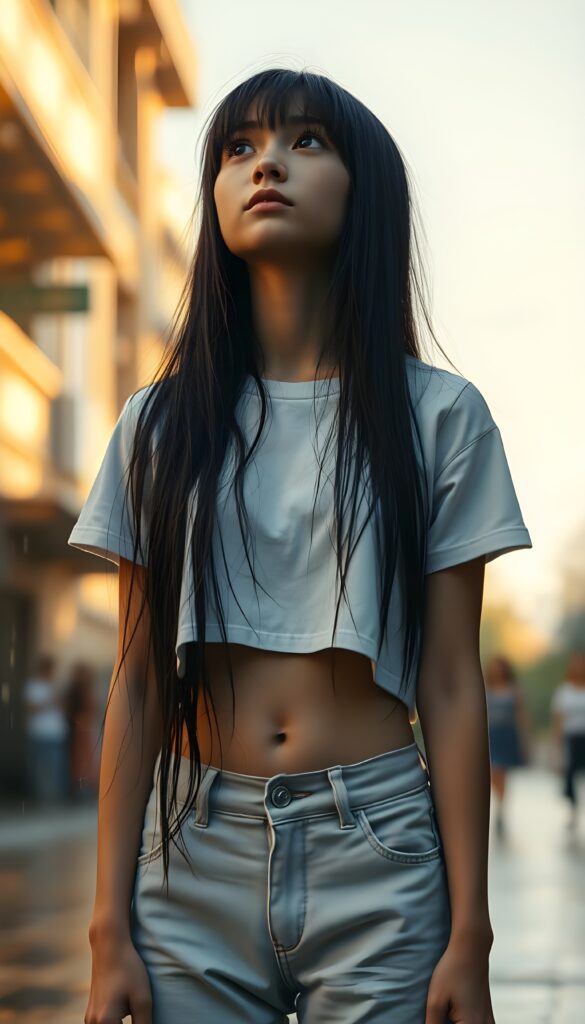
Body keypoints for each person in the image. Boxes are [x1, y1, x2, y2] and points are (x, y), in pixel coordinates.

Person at [68, 69, 533, 1024]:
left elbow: (450, 681)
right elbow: (139, 680)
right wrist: (107, 929)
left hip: (382, 848)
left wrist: (469, 938)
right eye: (237, 148)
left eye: (305, 141)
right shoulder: (159, 425)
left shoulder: (439, 418)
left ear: (367, 188)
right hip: (190, 851)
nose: (265, 162)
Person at [484, 654, 531, 836]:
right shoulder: (485, 688)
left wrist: (525, 741)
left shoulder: (514, 690)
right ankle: (499, 802)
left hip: (507, 735)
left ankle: (501, 809)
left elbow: (521, 717)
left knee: (502, 773)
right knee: (493, 772)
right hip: (491, 735)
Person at [23, 653, 69, 804]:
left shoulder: (56, 685)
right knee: (40, 767)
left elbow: (63, 708)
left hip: (56, 733)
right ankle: (41, 798)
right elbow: (32, 708)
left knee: (57, 767)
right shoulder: (33, 685)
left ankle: (54, 798)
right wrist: (50, 700)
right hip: (40, 733)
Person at [551, 650, 585, 830]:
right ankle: (573, 810)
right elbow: (558, 721)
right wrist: (557, 747)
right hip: (572, 738)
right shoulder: (564, 692)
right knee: (571, 775)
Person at [64, 659, 100, 801]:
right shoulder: (78, 690)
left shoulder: (84, 690)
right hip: (80, 730)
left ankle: (85, 788)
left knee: (85, 760)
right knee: (81, 760)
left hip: (85, 729)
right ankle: (82, 789)